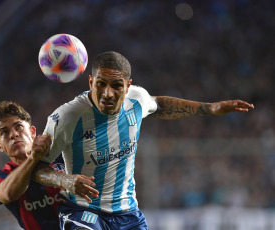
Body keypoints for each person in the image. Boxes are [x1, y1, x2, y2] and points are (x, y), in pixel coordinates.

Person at [35, 51, 254, 230]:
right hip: (82, 211)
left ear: (128, 86)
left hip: (128, 214)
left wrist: (210, 108)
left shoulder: (137, 99)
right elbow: (36, 169)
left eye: (117, 86)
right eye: (101, 83)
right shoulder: (66, 117)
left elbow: (160, 104)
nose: (108, 93)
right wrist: (65, 181)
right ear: (91, 81)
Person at [0, 101, 98, 230]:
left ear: (32, 132)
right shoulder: (0, 176)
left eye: (18, 126)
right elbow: (7, 194)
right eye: (4, 132)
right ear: (0, 146)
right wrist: (33, 158)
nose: (13, 134)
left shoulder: (62, 154)